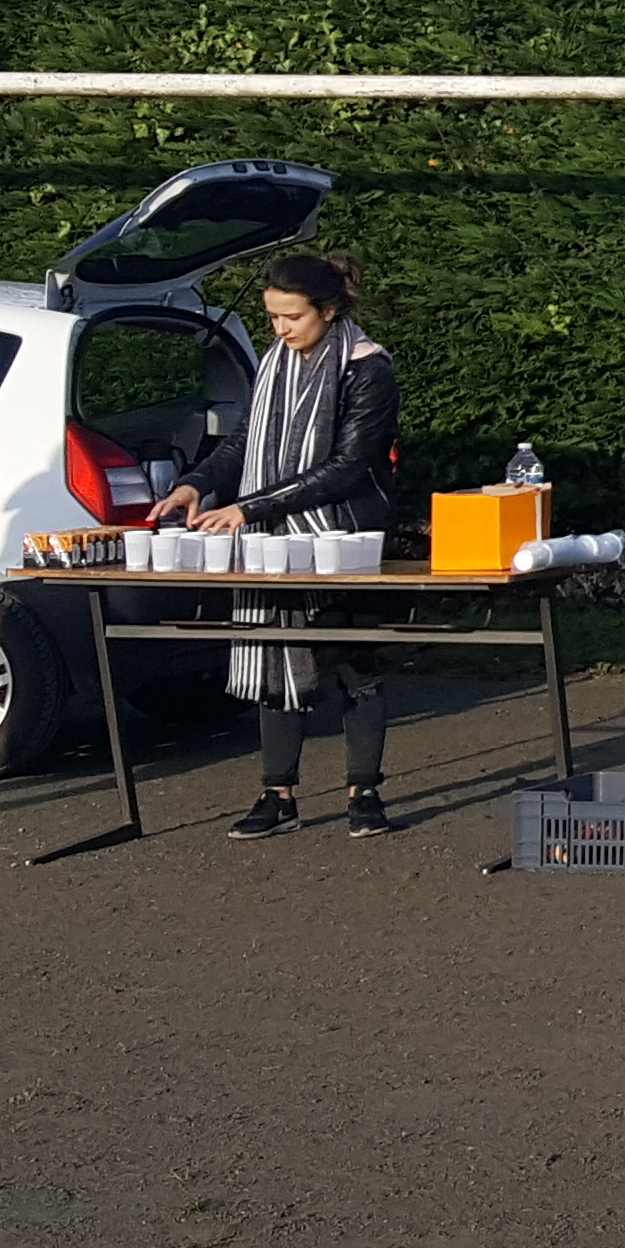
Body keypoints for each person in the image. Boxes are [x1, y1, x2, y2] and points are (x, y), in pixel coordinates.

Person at [150, 253, 407, 839]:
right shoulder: (274, 363)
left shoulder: (367, 369)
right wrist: (197, 483)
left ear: (329, 310)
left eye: (293, 317)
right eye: (272, 317)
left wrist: (247, 509)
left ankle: (364, 793)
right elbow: (244, 441)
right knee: (274, 653)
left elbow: (346, 467)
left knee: (355, 664)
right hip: (274, 536)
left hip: (345, 534)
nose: (281, 329)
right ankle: (278, 795)